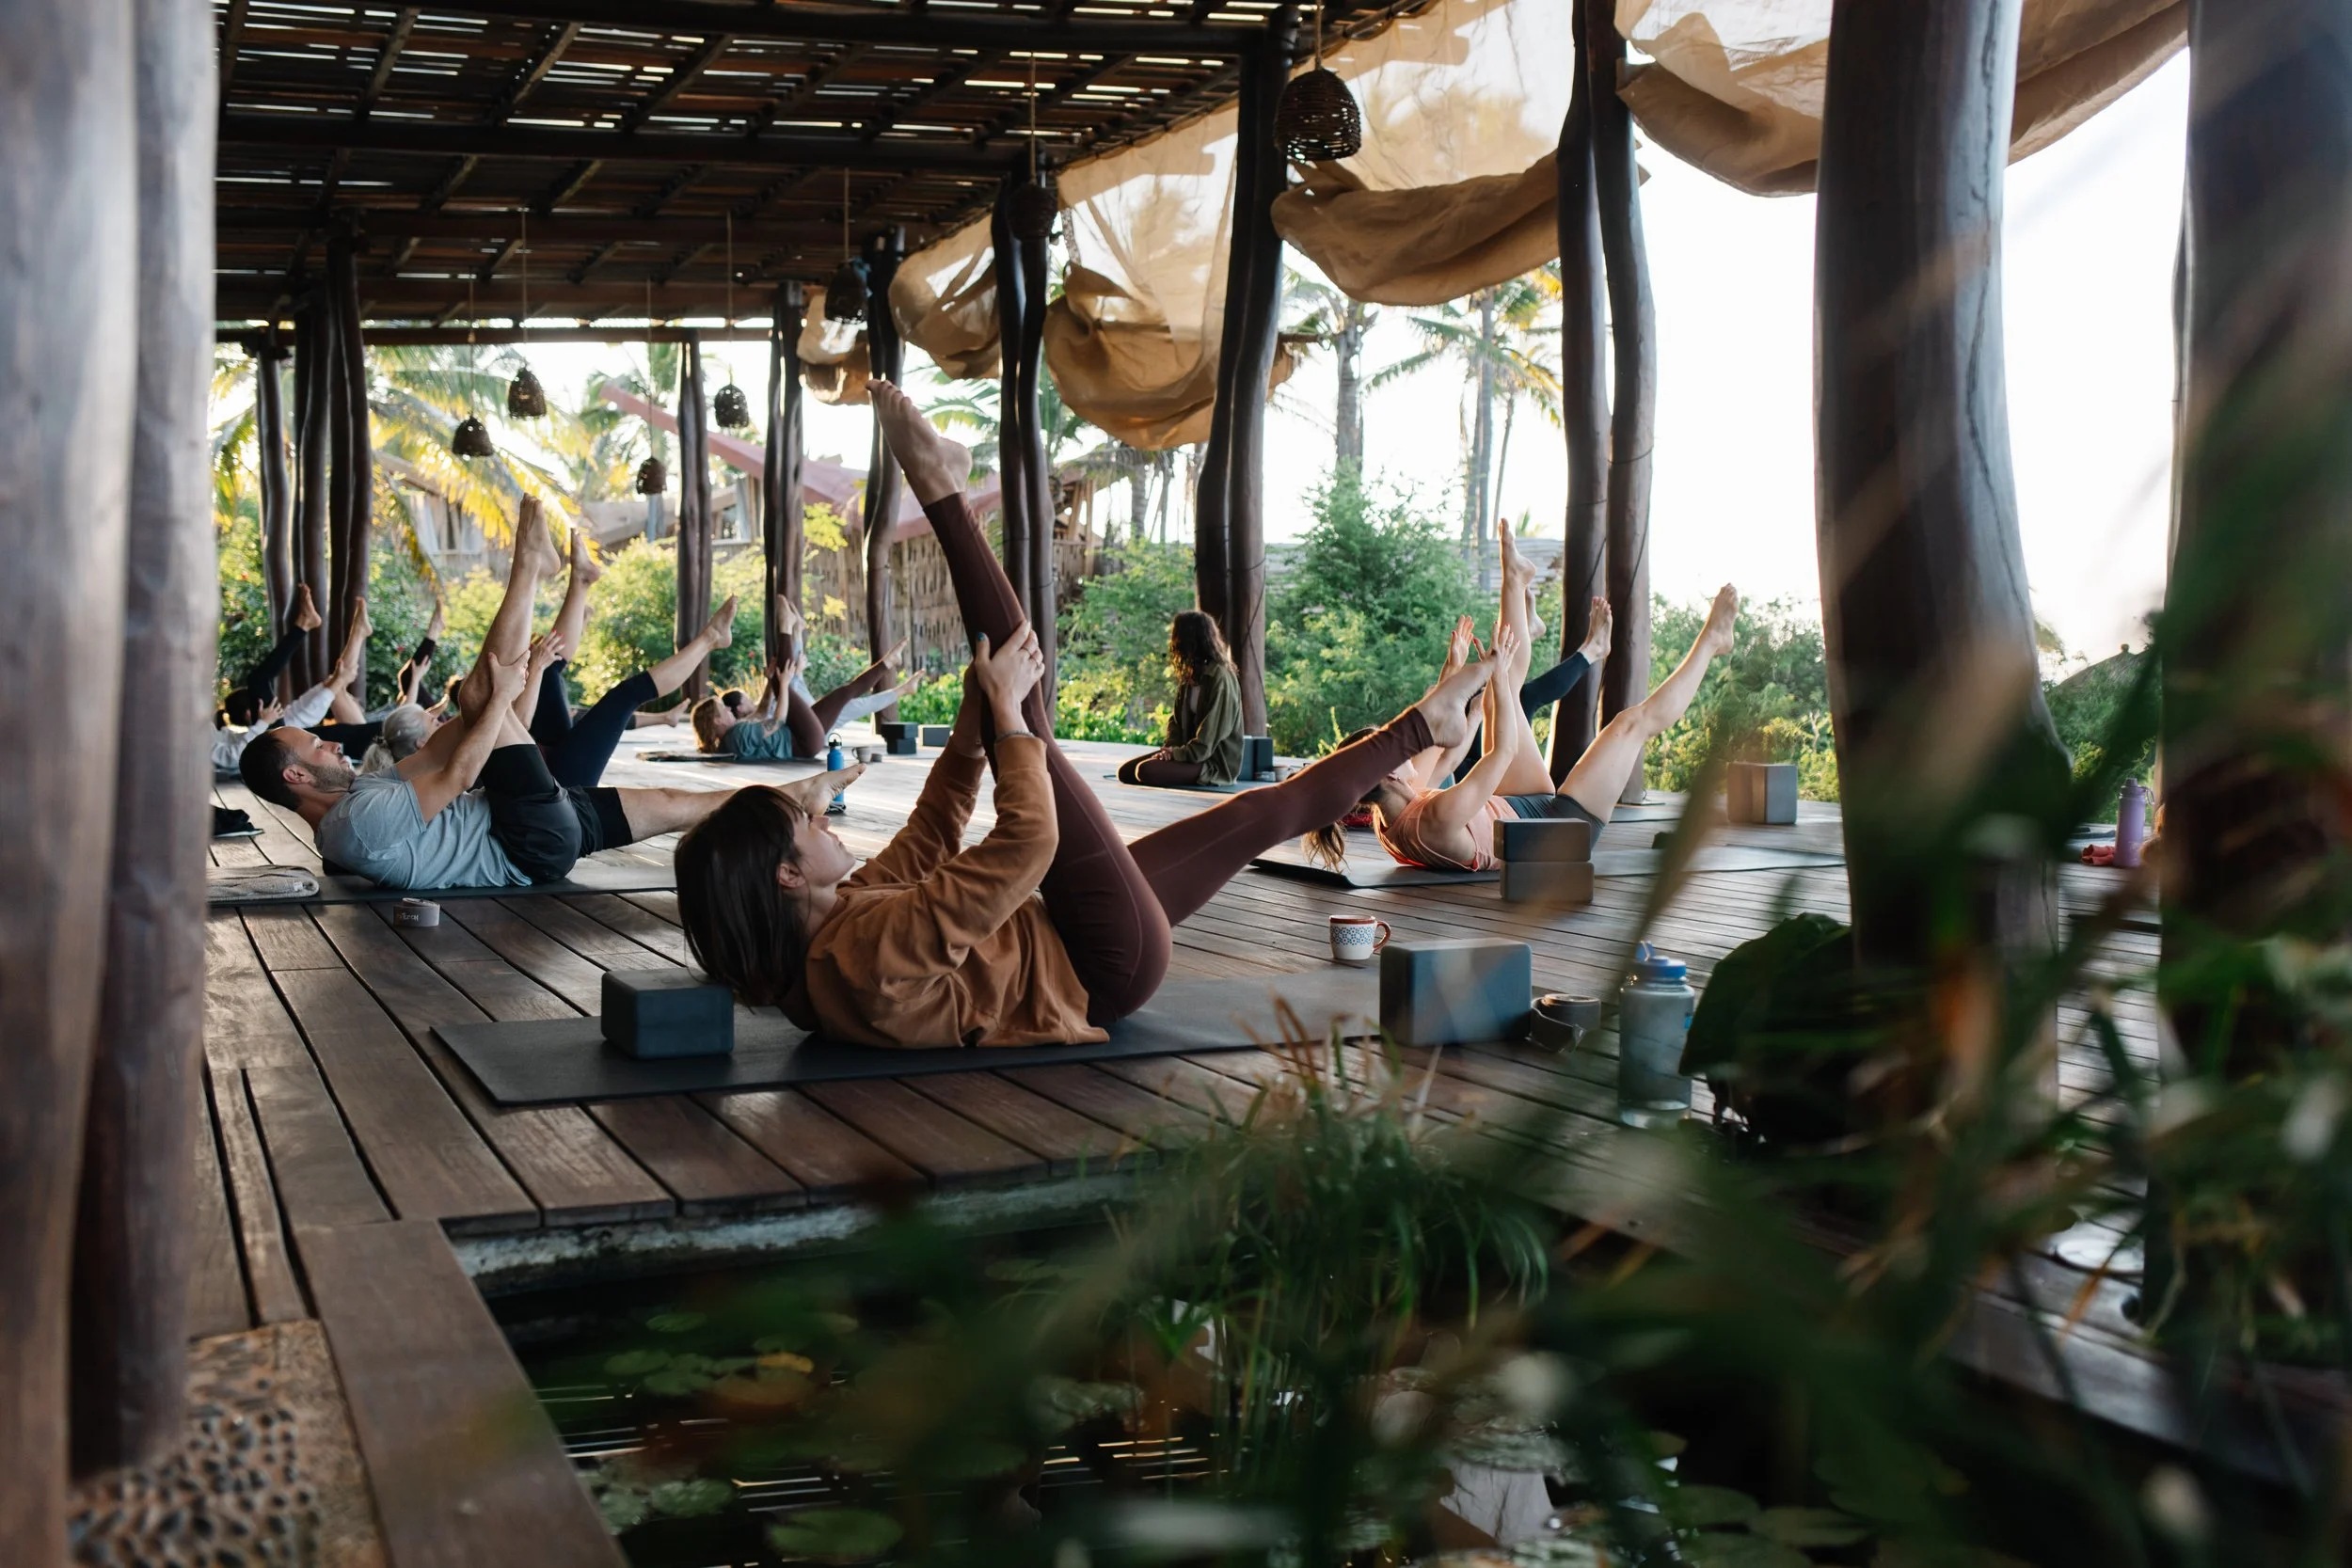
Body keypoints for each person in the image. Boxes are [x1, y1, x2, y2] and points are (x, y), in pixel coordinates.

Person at [673, 380, 1498, 1049]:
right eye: (805, 824)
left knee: (1256, 812)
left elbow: (927, 840)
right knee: (1028, 715)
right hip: (1098, 963)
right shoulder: (863, 953)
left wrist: (973, 729)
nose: (823, 821)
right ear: (786, 874)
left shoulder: (834, 934)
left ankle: (1427, 725)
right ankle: (942, 489)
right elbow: (1030, 842)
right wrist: (1008, 729)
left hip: (1072, 938)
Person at [239, 497, 761, 891]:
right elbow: (462, 769)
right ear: (297, 776)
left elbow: (456, 744)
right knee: (526, 695)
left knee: (678, 802)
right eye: (316, 745)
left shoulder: (359, 799)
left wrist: (512, 687)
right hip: (528, 831)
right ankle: (532, 569)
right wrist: (502, 694)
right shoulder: (356, 822)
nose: (331, 742)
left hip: (529, 814)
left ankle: (784, 802)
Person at [1305, 520, 1740, 874]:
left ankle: (1514, 579)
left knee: (1502, 692)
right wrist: (1492, 675)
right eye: (1390, 745)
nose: (1399, 744)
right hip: (1556, 834)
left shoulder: (1391, 807)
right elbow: (1501, 751)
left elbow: (1446, 751)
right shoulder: (1433, 820)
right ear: (1391, 775)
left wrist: (1454, 675)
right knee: (1628, 724)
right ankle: (1712, 642)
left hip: (1516, 813)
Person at [691, 598, 919, 761]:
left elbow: (760, 714)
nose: (730, 711)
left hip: (803, 739)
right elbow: (777, 721)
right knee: (791, 684)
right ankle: (786, 628)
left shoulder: (731, 737)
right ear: (717, 722)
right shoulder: (736, 735)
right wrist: (781, 685)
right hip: (800, 740)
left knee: (843, 694)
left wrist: (773, 682)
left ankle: (889, 662)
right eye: (724, 710)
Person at [213, 588, 385, 771]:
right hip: (275, 746)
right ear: (250, 713)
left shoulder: (206, 732)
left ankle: (351, 632)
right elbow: (234, 757)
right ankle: (310, 626)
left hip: (279, 736)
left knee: (337, 687)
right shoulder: (194, 741)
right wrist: (262, 723)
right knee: (259, 680)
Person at [1116, 610, 1245, 787]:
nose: (1173, 641)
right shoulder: (1191, 676)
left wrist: (1176, 755)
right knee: (1126, 772)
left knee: (1145, 771)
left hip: (1212, 763)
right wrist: (1169, 752)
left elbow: (1207, 740)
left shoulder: (1220, 677)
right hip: (1186, 755)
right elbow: (1175, 723)